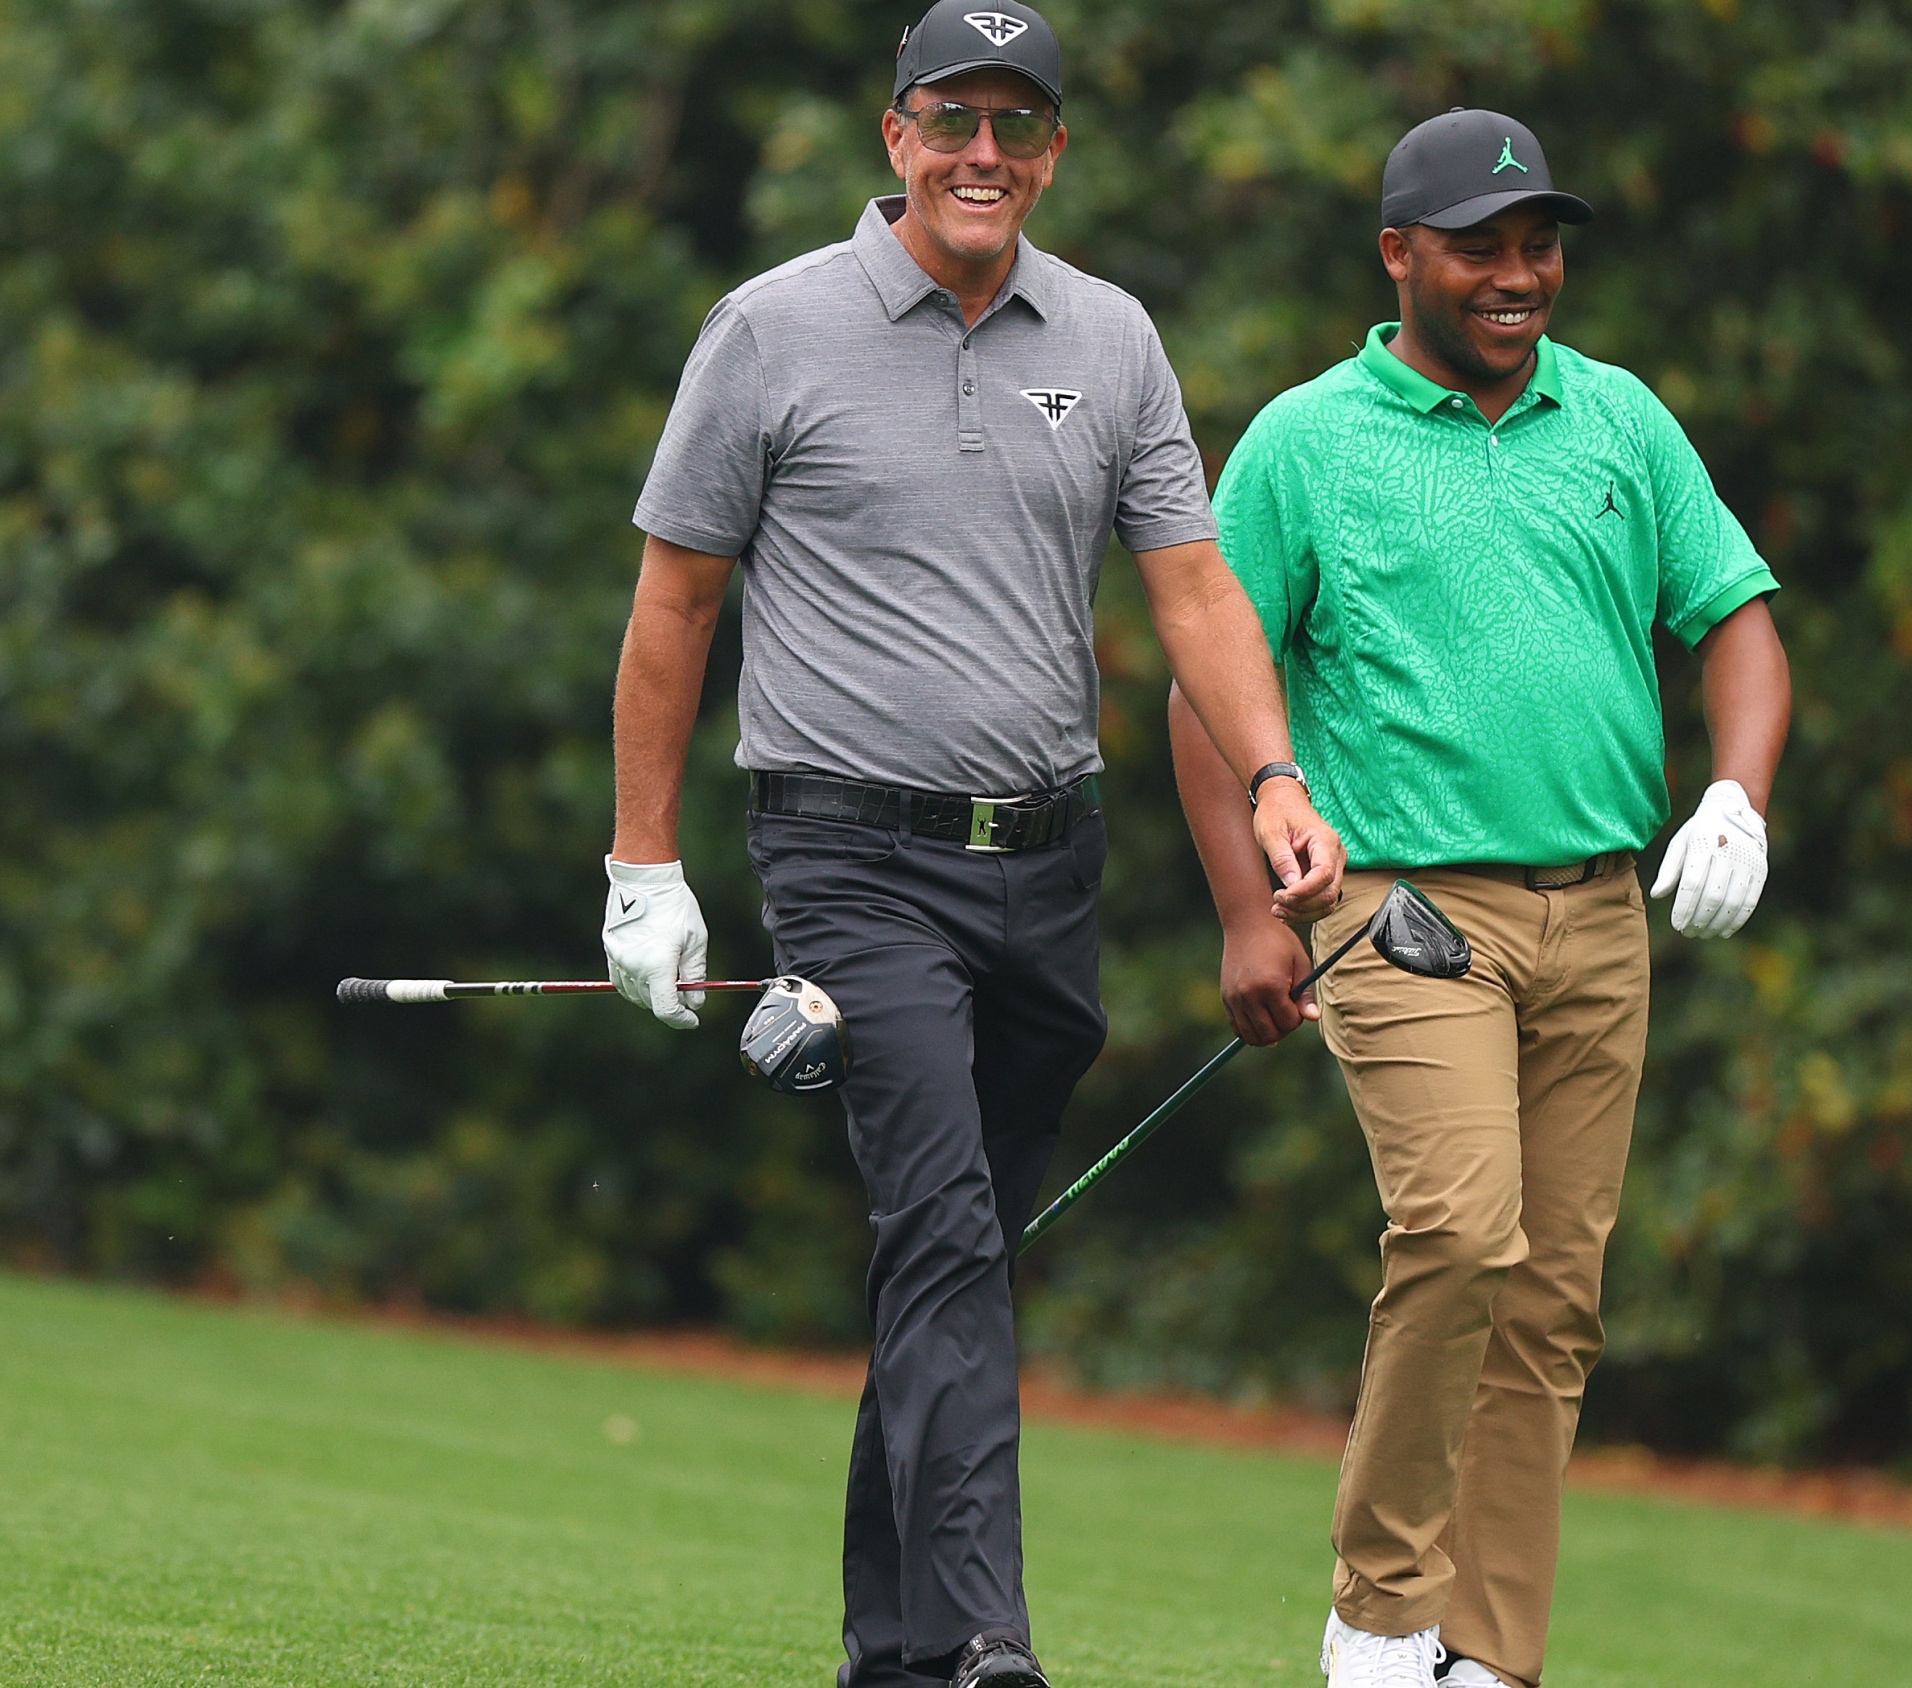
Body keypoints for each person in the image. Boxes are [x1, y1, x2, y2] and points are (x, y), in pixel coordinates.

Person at [601, 5, 1344, 1685]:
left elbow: (1195, 587)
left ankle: (890, 1655)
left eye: (1017, 124)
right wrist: (643, 863)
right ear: (895, 136)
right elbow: (675, 600)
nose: (983, 155)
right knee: (942, 1236)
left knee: (958, 1260)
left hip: (1047, 868)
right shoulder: (769, 330)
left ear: (1056, 150)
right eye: (953, 120)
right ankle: (986, 1644)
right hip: (848, 860)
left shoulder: (1114, 334)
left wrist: (1279, 778)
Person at [1168, 109, 1792, 1688]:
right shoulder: (1311, 441)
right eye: (1481, 246)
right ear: (1399, 257)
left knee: (1555, 1302)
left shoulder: (1622, 420)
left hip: (1597, 913)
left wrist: (1738, 795)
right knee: (1459, 1231)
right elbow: (1205, 678)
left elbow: (1737, 623)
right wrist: (1250, 910)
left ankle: (1489, 1660)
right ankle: (1379, 1623)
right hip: (1397, 907)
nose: (1519, 275)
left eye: (1538, 244)